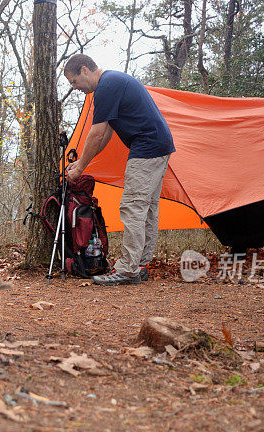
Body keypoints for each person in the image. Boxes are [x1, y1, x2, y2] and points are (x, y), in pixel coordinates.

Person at [64, 54, 174, 286]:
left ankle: (127, 269)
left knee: (133, 206)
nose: (74, 88)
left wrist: (80, 166)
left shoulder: (106, 86)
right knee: (146, 208)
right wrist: (84, 162)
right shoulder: (113, 82)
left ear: (84, 70)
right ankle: (139, 265)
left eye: (73, 81)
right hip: (158, 144)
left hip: (147, 147)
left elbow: (96, 132)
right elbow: (106, 134)